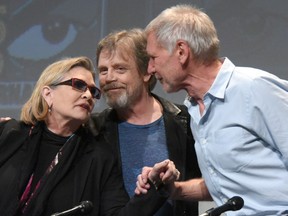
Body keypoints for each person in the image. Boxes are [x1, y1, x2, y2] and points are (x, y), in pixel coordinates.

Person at [136, 4, 288, 216]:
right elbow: (226, 184)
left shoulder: (254, 88)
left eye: (153, 58)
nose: (151, 69)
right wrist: (174, 189)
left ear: (181, 51)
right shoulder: (195, 108)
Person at [0, 56, 178, 216]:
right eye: (78, 85)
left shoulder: (100, 157)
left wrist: (154, 187)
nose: (88, 95)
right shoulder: (10, 134)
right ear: (48, 94)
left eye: (93, 92)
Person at [88, 28, 202, 216]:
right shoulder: (93, 129)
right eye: (103, 70)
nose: (109, 78)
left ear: (146, 72)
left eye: (120, 68)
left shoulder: (184, 121)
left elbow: (213, 182)